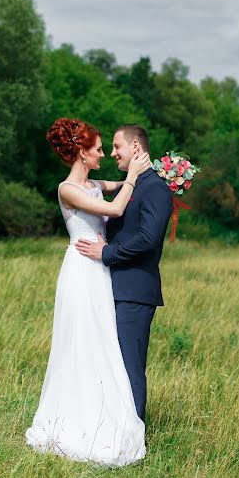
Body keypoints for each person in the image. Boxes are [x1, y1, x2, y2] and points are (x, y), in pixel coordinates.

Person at [25, 117, 150, 467]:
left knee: (102, 340)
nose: (103, 154)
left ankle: (104, 412)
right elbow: (115, 207)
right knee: (81, 341)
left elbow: (121, 189)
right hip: (81, 272)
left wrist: (155, 173)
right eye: (97, 149)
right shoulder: (69, 190)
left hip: (100, 271)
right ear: (81, 153)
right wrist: (132, 177)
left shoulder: (94, 183)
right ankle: (77, 419)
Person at [76, 125, 173, 422]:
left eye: (117, 147)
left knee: (130, 367)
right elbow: (92, 186)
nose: (113, 153)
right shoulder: (133, 184)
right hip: (113, 288)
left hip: (134, 292)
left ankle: (134, 438)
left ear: (136, 148)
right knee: (111, 365)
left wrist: (106, 253)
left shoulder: (155, 188)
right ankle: (112, 428)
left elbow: (148, 239)